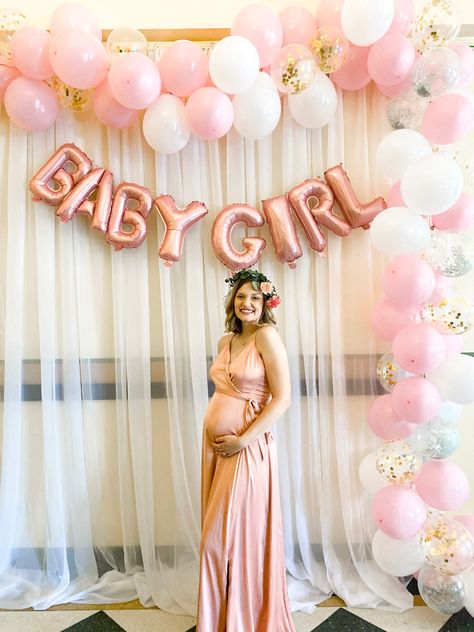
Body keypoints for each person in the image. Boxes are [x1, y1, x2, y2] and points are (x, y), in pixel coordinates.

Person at [196, 269, 295, 632]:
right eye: (240, 296)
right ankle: (220, 619)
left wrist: (242, 439)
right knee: (220, 538)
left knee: (226, 540)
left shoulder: (267, 337)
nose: (246, 303)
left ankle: (242, 620)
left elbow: (282, 399)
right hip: (215, 450)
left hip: (247, 448)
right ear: (232, 301)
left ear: (266, 302)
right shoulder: (226, 342)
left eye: (255, 297)